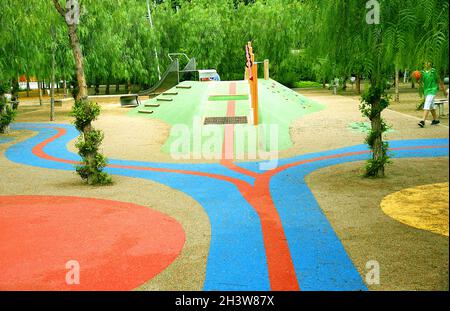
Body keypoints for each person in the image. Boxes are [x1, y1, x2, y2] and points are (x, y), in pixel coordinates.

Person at [418, 61, 440, 127]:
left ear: (431, 63)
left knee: (427, 103)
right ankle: (435, 120)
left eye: (429, 62)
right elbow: (420, 82)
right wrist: (417, 79)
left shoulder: (433, 71)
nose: (427, 63)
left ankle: (423, 121)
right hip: (426, 91)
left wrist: (444, 90)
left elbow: (438, 80)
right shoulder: (422, 72)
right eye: (426, 62)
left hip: (433, 90)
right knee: (431, 106)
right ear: (424, 63)